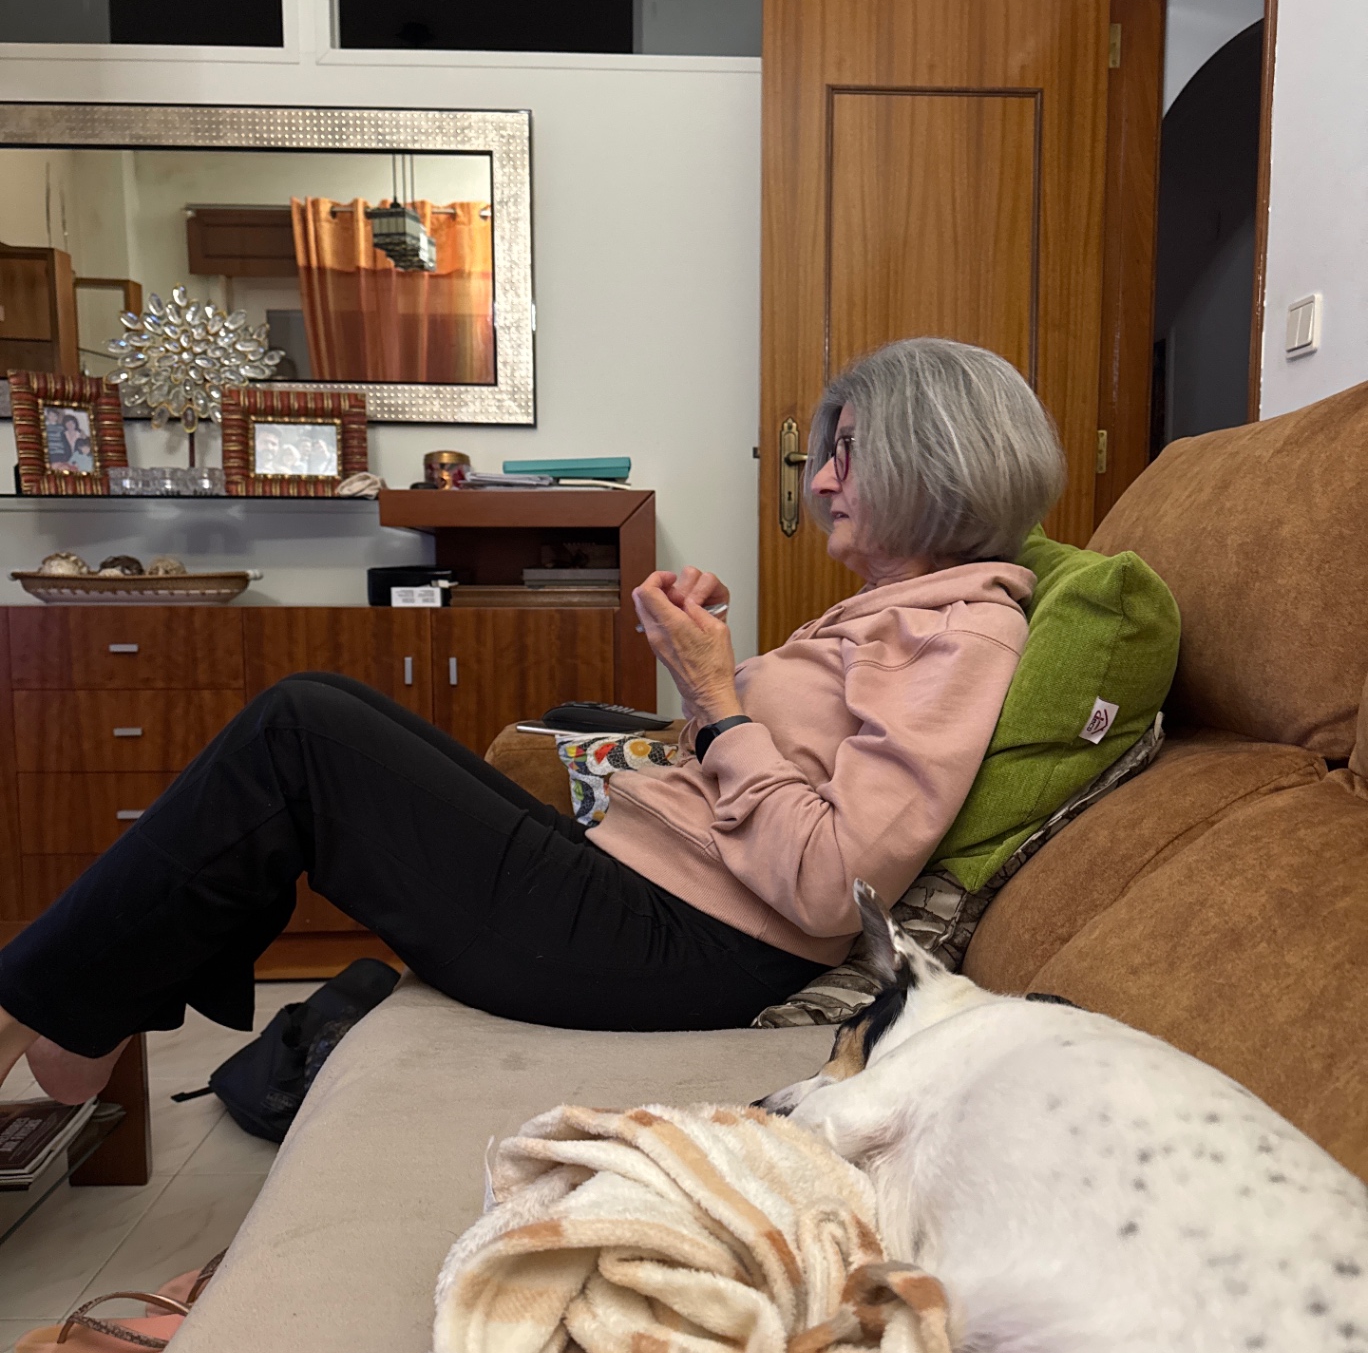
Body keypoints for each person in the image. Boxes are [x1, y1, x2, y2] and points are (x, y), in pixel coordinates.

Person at [0, 337, 1065, 1105]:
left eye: (851, 451)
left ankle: (43, 1009)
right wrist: (709, 679)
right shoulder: (894, 611)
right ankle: (83, 1006)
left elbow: (838, 886)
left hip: (681, 949)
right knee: (326, 714)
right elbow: (759, 778)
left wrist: (716, 696)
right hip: (644, 893)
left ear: (936, 460)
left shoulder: (957, 632)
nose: (824, 479)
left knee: (303, 730)